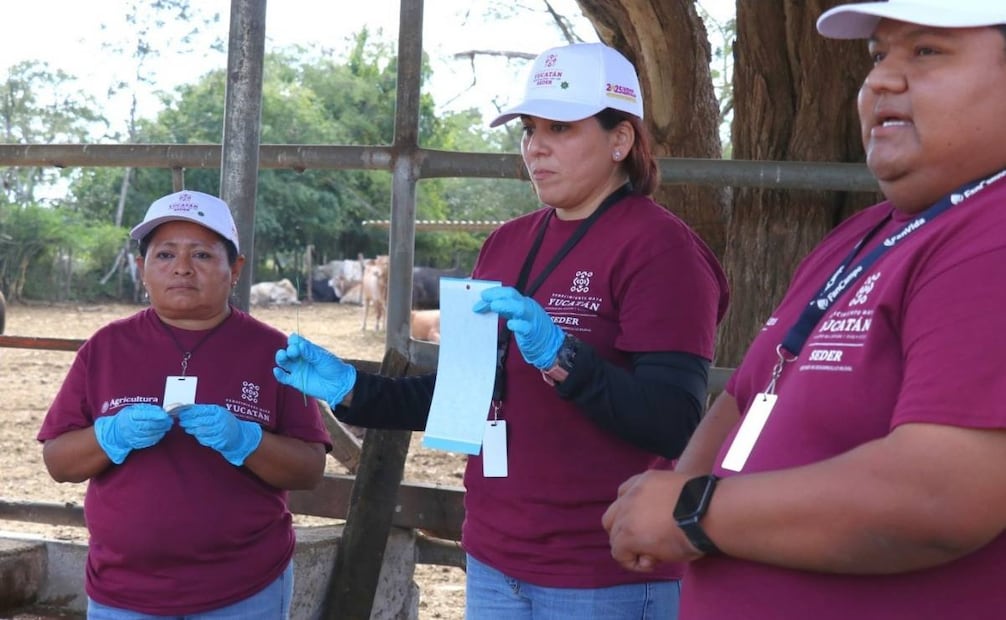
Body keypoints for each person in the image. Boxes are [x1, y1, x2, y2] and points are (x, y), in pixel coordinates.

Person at [274, 42, 729, 619]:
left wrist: (562, 358)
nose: (535, 147)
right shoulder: (507, 242)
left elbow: (672, 422)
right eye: (529, 129)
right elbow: (468, 395)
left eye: (560, 128)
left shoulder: (661, 249)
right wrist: (354, 390)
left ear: (621, 140)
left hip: (601, 571)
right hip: (493, 557)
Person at [602, 2, 1006, 618]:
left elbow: (938, 497)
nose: (880, 80)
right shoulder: (867, 232)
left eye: (925, 51)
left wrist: (692, 512)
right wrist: (668, 503)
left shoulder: (991, 232)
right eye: (877, 56)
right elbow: (749, 391)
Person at [37, 190, 331, 619]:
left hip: (245, 590)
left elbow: (309, 469)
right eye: (165, 254)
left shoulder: (274, 352)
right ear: (142, 269)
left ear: (236, 270)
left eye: (203, 255)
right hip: (122, 591)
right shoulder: (106, 347)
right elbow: (58, 463)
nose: (182, 268)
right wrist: (109, 435)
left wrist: (248, 441)